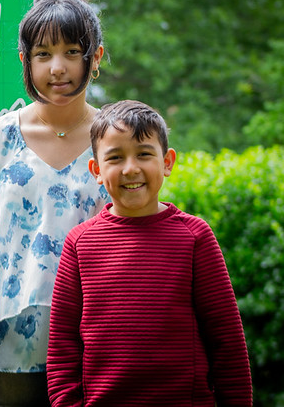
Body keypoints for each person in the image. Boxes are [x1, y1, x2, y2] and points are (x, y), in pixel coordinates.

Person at [0, 0, 110, 407]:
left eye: (71, 52)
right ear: (25, 60)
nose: (57, 67)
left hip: (95, 348)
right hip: (5, 351)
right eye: (43, 54)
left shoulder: (115, 141)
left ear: (95, 57)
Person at [47, 100, 253, 405]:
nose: (131, 168)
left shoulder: (195, 237)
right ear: (97, 170)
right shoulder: (80, 243)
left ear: (167, 162)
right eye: (115, 157)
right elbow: (62, 348)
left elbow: (227, 342)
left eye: (144, 154)